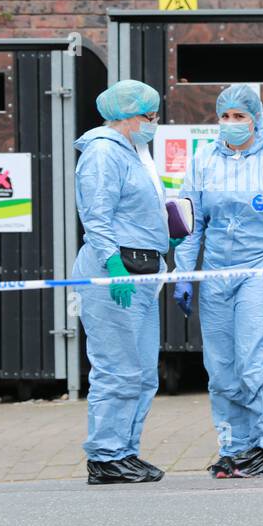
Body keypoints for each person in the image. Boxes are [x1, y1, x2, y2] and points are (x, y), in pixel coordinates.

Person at [173, 85, 263, 478]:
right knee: (222, 367)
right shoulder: (204, 159)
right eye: (224, 116)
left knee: (257, 361)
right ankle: (236, 446)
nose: (231, 124)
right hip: (217, 274)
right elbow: (188, 219)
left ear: (256, 119)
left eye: (239, 117)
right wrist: (184, 273)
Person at [73, 79, 181, 485]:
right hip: (116, 272)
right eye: (148, 116)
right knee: (116, 369)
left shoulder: (134, 152)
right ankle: (105, 456)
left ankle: (125, 450)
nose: (153, 122)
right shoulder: (103, 152)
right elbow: (96, 215)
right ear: (125, 115)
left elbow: (137, 207)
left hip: (143, 270)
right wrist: (112, 262)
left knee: (141, 372)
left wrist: (166, 231)